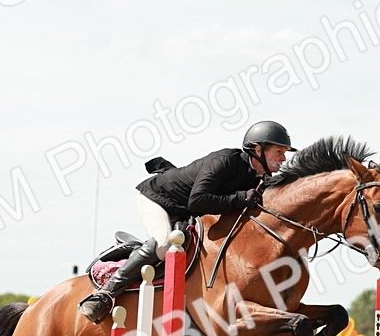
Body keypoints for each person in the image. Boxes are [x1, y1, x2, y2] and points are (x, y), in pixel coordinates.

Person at [78, 120, 296, 322]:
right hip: (160, 198)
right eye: (279, 152)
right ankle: (104, 294)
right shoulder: (225, 161)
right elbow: (197, 201)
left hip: (185, 211)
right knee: (164, 244)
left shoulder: (259, 178)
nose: (283, 158)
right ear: (258, 149)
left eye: (284, 153)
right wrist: (240, 198)